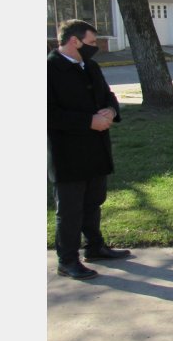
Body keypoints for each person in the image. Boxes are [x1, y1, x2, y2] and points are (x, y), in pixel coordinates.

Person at [48, 20, 129, 280]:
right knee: (70, 209)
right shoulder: (49, 69)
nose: (96, 47)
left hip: (96, 149)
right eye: (92, 42)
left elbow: (108, 95)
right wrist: (88, 122)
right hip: (67, 153)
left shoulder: (90, 66)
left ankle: (94, 246)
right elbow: (48, 113)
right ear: (75, 41)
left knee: (93, 202)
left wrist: (111, 110)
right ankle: (67, 260)